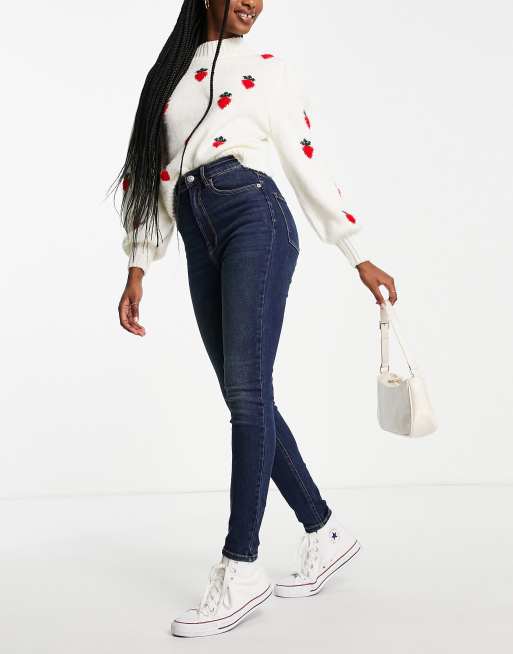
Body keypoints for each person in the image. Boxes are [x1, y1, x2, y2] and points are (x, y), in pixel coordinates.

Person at [112, 0, 397, 638]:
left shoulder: (266, 68)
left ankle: (240, 565)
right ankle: (324, 531)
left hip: (252, 215)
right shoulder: (168, 77)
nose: (253, 3)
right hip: (196, 229)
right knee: (248, 395)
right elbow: (152, 177)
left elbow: (305, 159)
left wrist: (358, 253)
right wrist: (137, 266)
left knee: (246, 395)